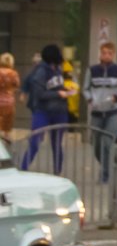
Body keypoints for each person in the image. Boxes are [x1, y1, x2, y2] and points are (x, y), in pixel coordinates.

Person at [83, 41, 117, 184]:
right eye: (103, 52)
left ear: (113, 55)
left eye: (109, 53)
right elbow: (85, 88)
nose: (106, 56)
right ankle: (110, 162)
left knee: (107, 142)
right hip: (97, 112)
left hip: (113, 111)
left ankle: (105, 174)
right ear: (100, 53)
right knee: (97, 145)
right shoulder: (92, 70)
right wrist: (89, 99)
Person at [19, 44, 71, 172]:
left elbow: (55, 86)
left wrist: (64, 90)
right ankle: (23, 168)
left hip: (60, 110)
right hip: (43, 111)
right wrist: (58, 93)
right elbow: (40, 94)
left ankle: (57, 171)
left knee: (57, 144)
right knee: (35, 141)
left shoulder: (58, 69)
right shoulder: (40, 71)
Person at [0, 53, 20, 143]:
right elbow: (17, 84)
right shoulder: (13, 73)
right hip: (9, 101)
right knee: (8, 119)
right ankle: (6, 135)